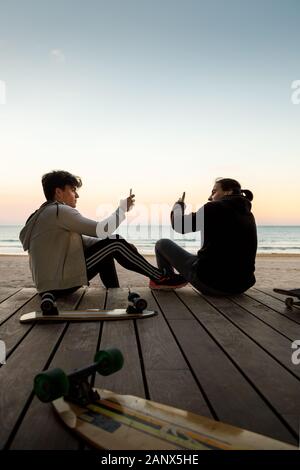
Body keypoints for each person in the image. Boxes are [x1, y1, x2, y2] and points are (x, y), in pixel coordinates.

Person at [19, 170, 186, 297]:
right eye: (72, 189)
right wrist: (122, 210)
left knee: (110, 246)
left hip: (48, 286)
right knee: (114, 242)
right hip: (59, 285)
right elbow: (101, 230)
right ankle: (159, 278)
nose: (76, 195)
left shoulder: (40, 215)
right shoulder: (59, 211)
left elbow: (87, 241)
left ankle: (114, 292)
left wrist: (125, 248)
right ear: (58, 192)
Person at [150, 178, 257, 295]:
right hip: (241, 286)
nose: (210, 197)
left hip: (212, 285)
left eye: (214, 191)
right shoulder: (248, 214)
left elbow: (179, 225)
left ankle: (168, 280)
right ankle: (176, 278)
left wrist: (178, 206)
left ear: (228, 192)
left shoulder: (214, 207)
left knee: (162, 244)